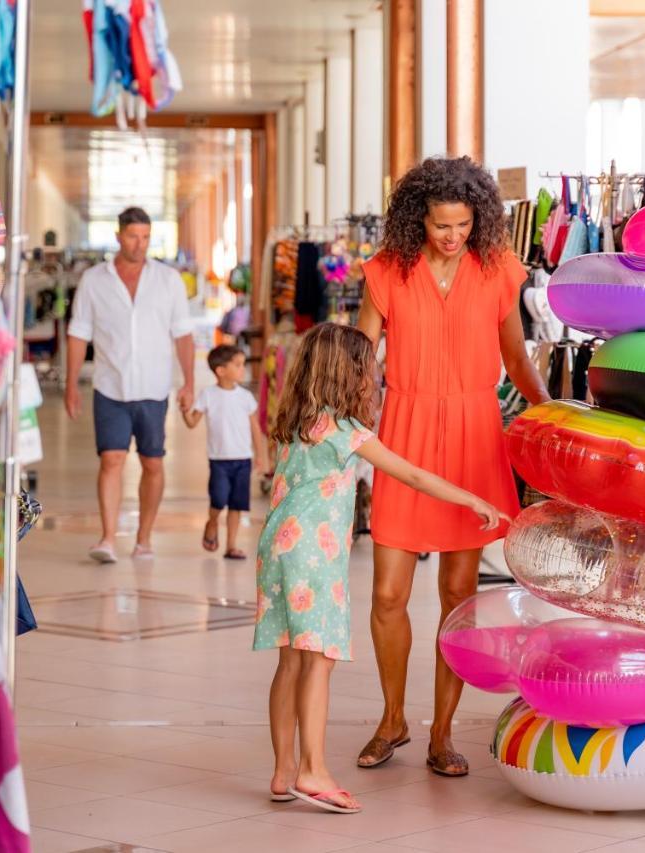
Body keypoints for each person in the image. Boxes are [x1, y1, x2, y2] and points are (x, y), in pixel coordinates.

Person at [254, 323, 507, 814]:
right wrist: (472, 499)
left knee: (289, 661)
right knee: (318, 661)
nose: (371, 378)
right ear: (348, 375)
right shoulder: (344, 430)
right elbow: (410, 473)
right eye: (366, 370)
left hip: (278, 551)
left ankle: (284, 770)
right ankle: (313, 770)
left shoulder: (294, 421)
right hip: (315, 556)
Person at [355, 156, 550, 776]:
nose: (452, 236)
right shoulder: (387, 271)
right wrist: (336, 425)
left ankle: (441, 732)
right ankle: (392, 719)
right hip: (404, 433)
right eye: (442, 224)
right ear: (419, 219)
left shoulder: (496, 271)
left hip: (473, 436)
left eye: (463, 224)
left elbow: (516, 359)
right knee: (388, 593)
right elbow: (361, 361)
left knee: (459, 594)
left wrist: (552, 412)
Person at [65, 207, 195, 563]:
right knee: (111, 459)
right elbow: (78, 334)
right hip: (110, 386)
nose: (140, 244)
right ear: (119, 236)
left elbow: (183, 334)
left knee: (153, 463)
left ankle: (144, 538)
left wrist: (189, 383)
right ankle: (107, 538)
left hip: (154, 387)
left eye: (146, 237)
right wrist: (71, 384)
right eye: (134, 236)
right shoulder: (94, 280)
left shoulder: (168, 280)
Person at [182, 344, 268, 560]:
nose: (243, 370)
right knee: (218, 500)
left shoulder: (245, 397)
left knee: (237, 504)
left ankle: (231, 545)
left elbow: (255, 428)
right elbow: (192, 422)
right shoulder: (208, 395)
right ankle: (212, 523)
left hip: (242, 459)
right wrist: (185, 410)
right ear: (221, 371)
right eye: (238, 365)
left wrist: (261, 456)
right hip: (219, 460)